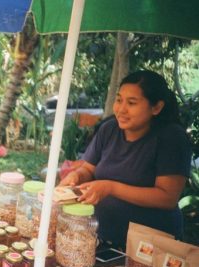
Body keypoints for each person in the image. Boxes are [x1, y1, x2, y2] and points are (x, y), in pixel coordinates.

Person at [60, 70, 191, 248]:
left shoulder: (171, 138)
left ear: (156, 107)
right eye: (119, 100)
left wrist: (110, 187)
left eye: (131, 103)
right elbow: (88, 169)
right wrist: (77, 176)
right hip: (103, 237)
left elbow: (167, 197)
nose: (121, 109)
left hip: (150, 246)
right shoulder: (109, 129)